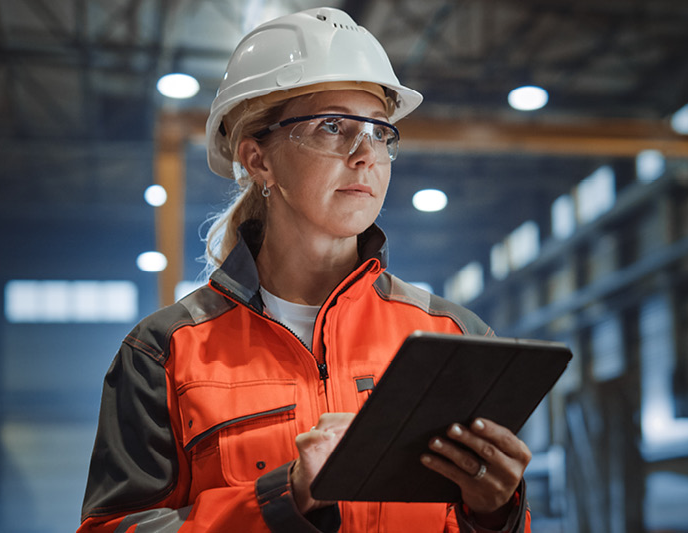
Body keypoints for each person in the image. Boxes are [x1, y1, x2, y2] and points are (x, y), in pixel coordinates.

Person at [78, 7, 532, 532]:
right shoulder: (165, 353)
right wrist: (282, 497)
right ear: (258, 159)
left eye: (380, 132)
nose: (365, 154)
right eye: (333, 126)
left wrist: (496, 511)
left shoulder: (455, 337)